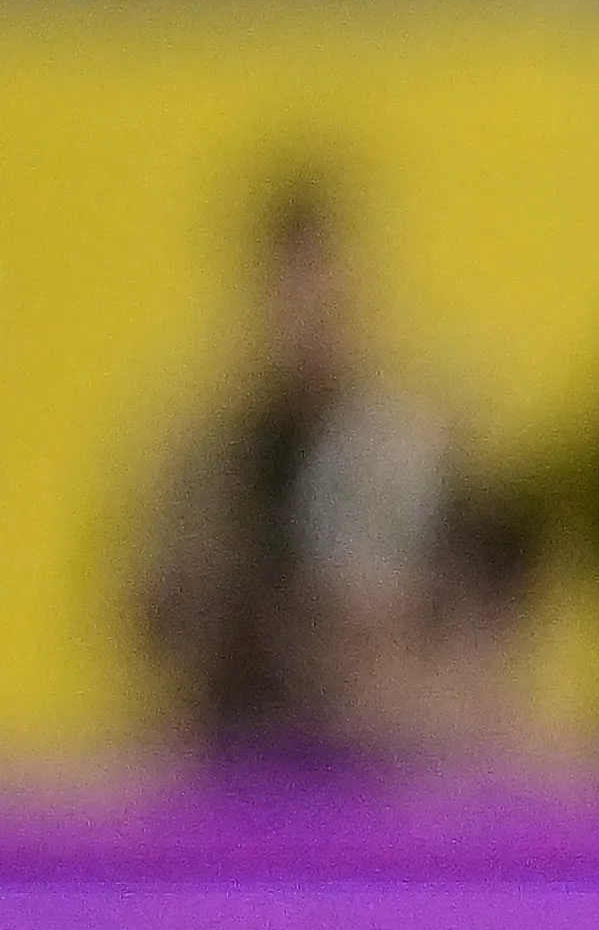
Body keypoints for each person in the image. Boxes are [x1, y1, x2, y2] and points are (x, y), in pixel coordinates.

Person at [133, 170, 534, 764]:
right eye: (291, 294)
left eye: (325, 289)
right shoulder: (216, 460)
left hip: (393, 758)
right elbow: (161, 631)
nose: (309, 318)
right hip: (250, 755)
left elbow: (489, 617)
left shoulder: (420, 442)